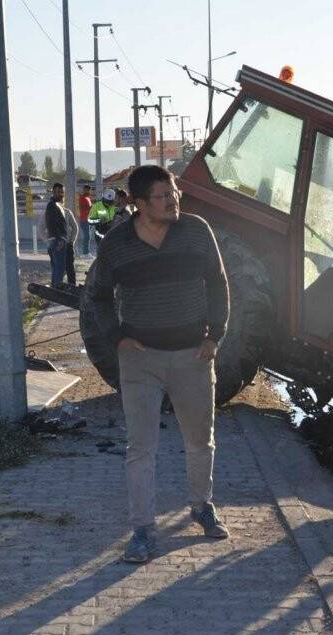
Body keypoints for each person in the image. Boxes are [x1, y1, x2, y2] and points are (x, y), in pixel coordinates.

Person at [86, 165, 230, 563]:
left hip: (193, 356)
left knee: (200, 441)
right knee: (141, 447)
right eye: (164, 196)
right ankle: (143, 531)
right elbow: (98, 295)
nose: (174, 201)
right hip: (140, 360)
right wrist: (117, 338)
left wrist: (214, 336)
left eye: (175, 193)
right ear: (138, 203)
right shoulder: (116, 243)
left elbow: (218, 283)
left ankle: (202, 507)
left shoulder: (197, 231)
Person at [44, 183, 69, 287]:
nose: (61, 194)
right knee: (59, 268)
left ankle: (54, 289)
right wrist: (60, 239)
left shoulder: (57, 205)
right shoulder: (52, 205)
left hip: (58, 239)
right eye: (58, 192)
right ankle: (56, 290)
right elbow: (52, 224)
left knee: (58, 268)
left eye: (62, 192)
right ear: (53, 192)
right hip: (57, 240)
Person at [78, 184, 94, 257]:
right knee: (87, 236)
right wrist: (91, 208)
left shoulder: (88, 198)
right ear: (83, 190)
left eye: (88, 190)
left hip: (88, 219)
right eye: (86, 190)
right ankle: (85, 253)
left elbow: (89, 208)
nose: (87, 191)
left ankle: (86, 252)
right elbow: (83, 209)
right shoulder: (82, 198)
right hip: (84, 219)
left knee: (87, 236)